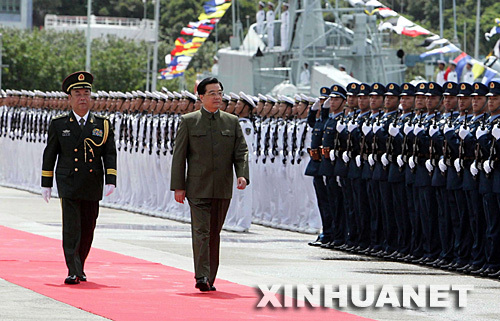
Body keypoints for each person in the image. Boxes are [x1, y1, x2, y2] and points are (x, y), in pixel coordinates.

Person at [170, 77, 249, 292]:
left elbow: (241, 152)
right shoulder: (189, 121)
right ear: (201, 96)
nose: (217, 97)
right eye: (212, 93)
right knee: (201, 231)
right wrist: (179, 186)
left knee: (214, 233)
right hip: (197, 187)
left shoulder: (231, 122)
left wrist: (242, 175)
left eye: (220, 93)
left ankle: (210, 277)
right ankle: (202, 276)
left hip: (222, 188)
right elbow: (180, 156)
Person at [41, 71, 117, 285]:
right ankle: (73, 269)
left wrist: (111, 178)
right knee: (72, 226)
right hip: (69, 181)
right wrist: (46, 183)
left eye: (86, 93)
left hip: (92, 181)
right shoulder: (59, 123)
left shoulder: (102, 124)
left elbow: (109, 153)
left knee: (88, 226)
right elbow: (50, 153)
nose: (82, 97)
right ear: (69, 97)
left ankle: (80, 264)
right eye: (78, 93)